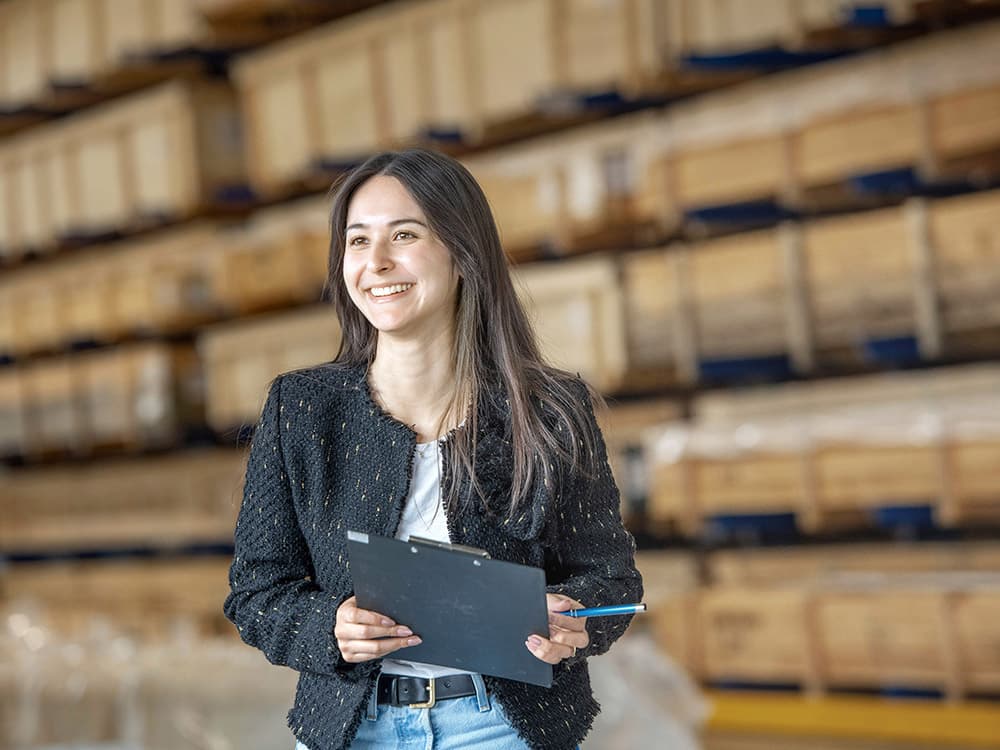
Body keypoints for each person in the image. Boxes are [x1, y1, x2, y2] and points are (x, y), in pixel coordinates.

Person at [224, 148, 642, 750]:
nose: (378, 262)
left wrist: (574, 618)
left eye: (404, 235)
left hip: (501, 727)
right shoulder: (302, 409)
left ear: (462, 252)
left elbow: (613, 580)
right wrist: (327, 628)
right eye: (358, 241)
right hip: (351, 730)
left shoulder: (549, 408)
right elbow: (256, 592)